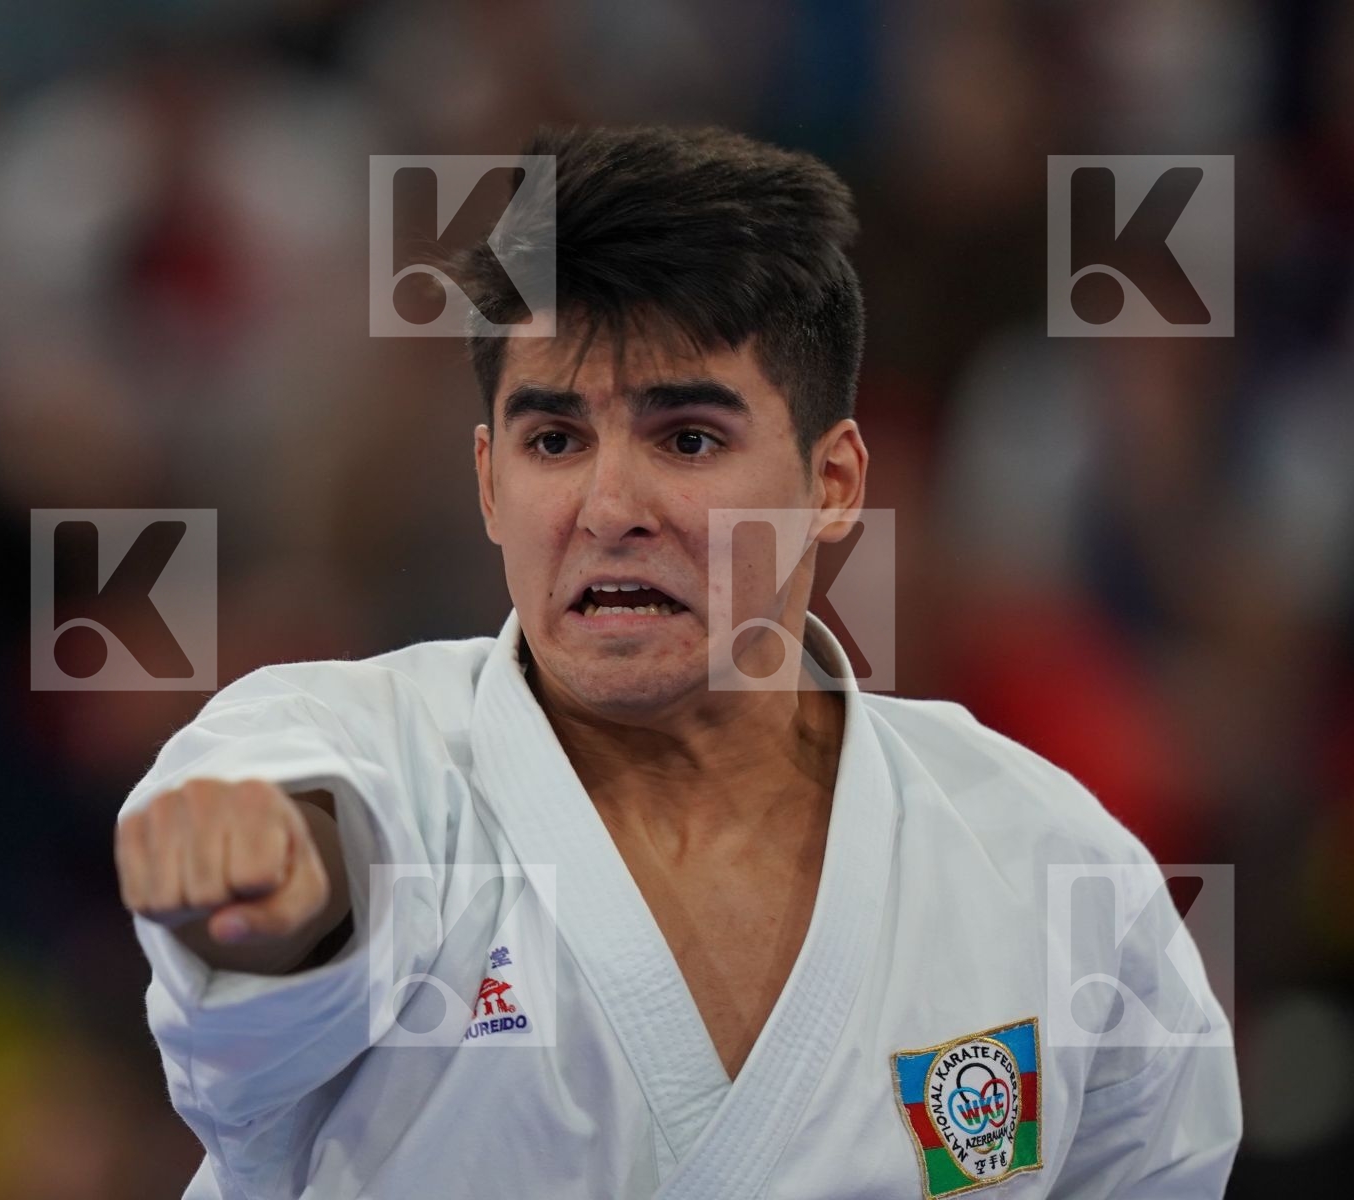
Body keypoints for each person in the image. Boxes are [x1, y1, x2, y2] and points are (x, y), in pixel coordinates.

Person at [114, 124, 1240, 1199]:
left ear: (833, 484)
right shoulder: (363, 753)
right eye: (554, 441)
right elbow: (292, 891)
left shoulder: (1044, 863)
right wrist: (271, 884)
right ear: (490, 482)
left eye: (688, 439)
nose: (609, 507)